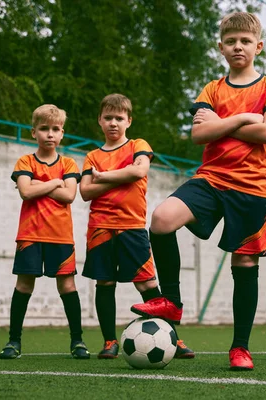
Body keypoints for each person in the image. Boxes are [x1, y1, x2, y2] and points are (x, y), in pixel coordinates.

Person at [130, 11, 266, 371]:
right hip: (212, 178)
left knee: (244, 262)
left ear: (258, 46)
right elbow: (199, 134)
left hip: (252, 186)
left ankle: (240, 348)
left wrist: (220, 124)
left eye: (245, 41)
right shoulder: (212, 89)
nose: (238, 46)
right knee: (162, 219)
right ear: (221, 47)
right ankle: (171, 301)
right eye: (231, 41)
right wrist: (242, 119)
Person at [79, 93, 194, 359]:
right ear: (100, 120)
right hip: (100, 228)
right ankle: (109, 341)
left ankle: (173, 339)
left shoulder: (138, 146)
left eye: (119, 118)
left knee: (147, 285)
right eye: (108, 118)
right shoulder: (92, 156)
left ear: (129, 121)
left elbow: (139, 171)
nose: (113, 123)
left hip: (132, 227)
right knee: (104, 283)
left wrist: (104, 177)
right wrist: (122, 176)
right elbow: (85, 191)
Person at [0, 104, 89, 360]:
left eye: (55, 129)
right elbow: (25, 192)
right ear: (33, 132)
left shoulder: (69, 163)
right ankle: (13, 341)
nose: (50, 134)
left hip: (60, 236)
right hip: (30, 235)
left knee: (68, 285)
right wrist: (52, 182)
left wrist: (38, 183)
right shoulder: (25, 161)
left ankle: (77, 342)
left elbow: (69, 195)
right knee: (24, 284)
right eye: (44, 129)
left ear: (62, 134)